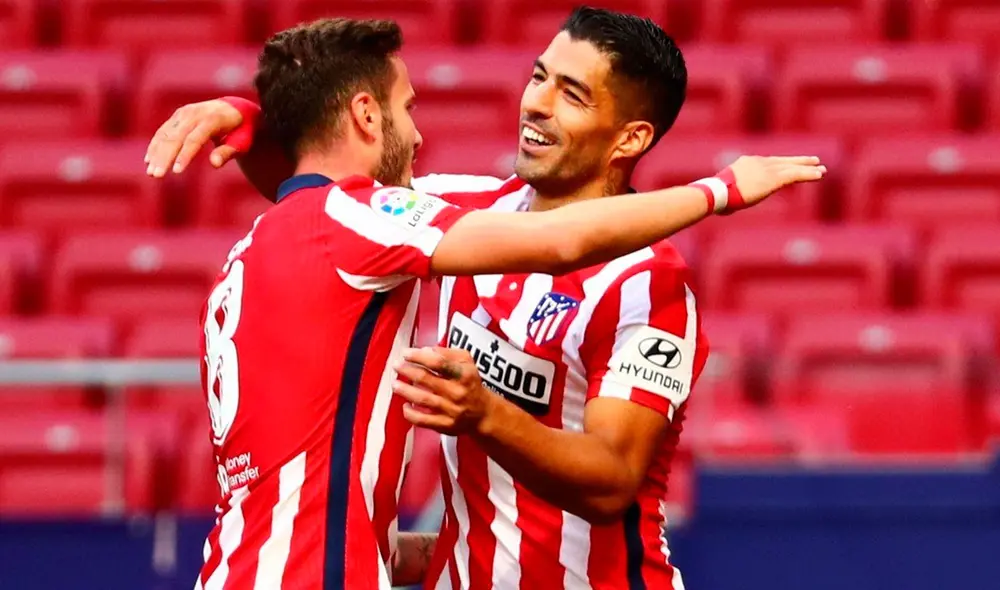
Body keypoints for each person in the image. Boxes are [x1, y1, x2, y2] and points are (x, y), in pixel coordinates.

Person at [147, 12, 826, 590]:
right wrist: (257, 117)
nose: (536, 103)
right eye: (538, 77)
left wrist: (486, 415)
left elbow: (612, 479)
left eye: (571, 94)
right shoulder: (465, 208)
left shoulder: (649, 282)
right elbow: (323, 205)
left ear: (630, 138)